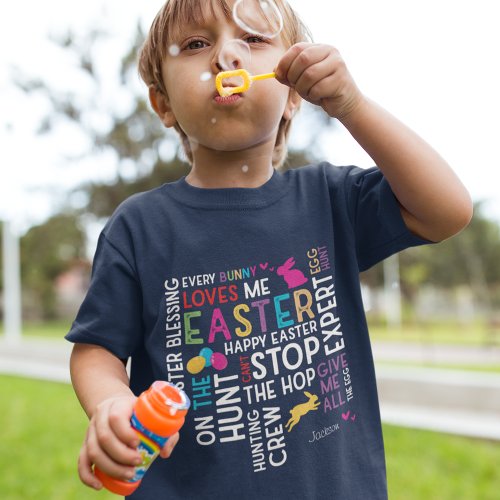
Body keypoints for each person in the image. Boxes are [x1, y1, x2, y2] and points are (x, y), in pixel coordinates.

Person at [66, 0, 472, 498]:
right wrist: (111, 403)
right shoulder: (140, 227)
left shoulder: (330, 201)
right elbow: (97, 349)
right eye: (196, 44)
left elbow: (447, 210)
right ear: (163, 103)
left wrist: (352, 106)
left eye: (254, 40)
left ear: (294, 92)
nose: (226, 57)